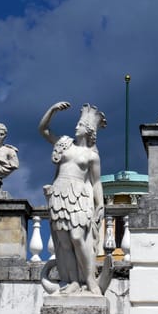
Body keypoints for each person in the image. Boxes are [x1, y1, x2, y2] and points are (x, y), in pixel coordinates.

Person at [39, 101, 106, 295]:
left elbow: (96, 182)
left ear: (88, 130)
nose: (75, 127)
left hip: (79, 196)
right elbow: (43, 129)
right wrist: (52, 110)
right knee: (65, 243)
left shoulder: (92, 156)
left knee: (78, 237)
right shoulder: (64, 144)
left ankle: (89, 280)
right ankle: (73, 281)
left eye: (79, 125)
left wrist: (100, 204)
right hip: (59, 194)